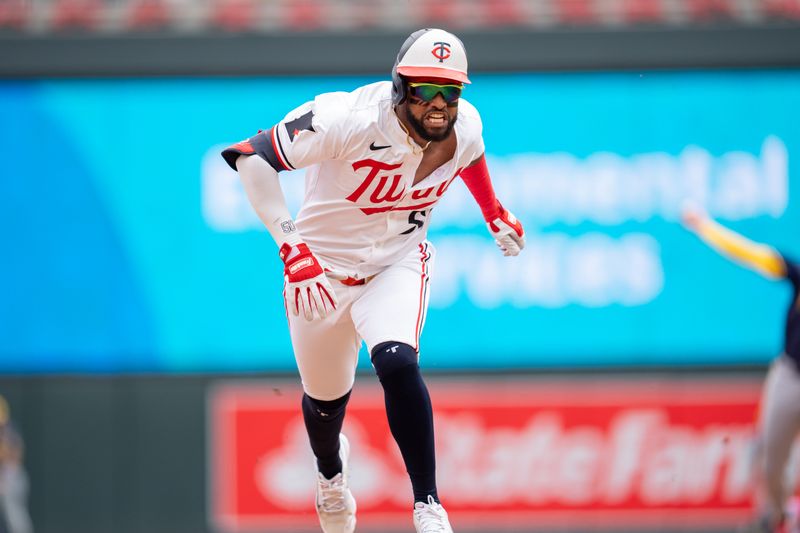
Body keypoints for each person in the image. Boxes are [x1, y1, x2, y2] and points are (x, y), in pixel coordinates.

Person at [221, 28, 525, 533]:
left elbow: (469, 154)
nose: (440, 104)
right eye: (427, 88)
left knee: (398, 361)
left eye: (451, 91)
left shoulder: (464, 124)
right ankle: (330, 476)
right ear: (400, 85)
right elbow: (251, 158)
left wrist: (494, 212)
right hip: (319, 272)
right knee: (325, 404)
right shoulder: (348, 117)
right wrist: (290, 245)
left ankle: (428, 505)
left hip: (395, 264)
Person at [681, 205, 800, 533]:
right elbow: (752, 254)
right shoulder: (798, 273)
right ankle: (776, 515)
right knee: (771, 458)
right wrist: (705, 226)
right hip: (790, 375)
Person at [0, 396, 33, 533]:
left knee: (15, 515)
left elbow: (15, 455)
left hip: (11, 476)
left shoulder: (9, 431)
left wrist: (6, 479)